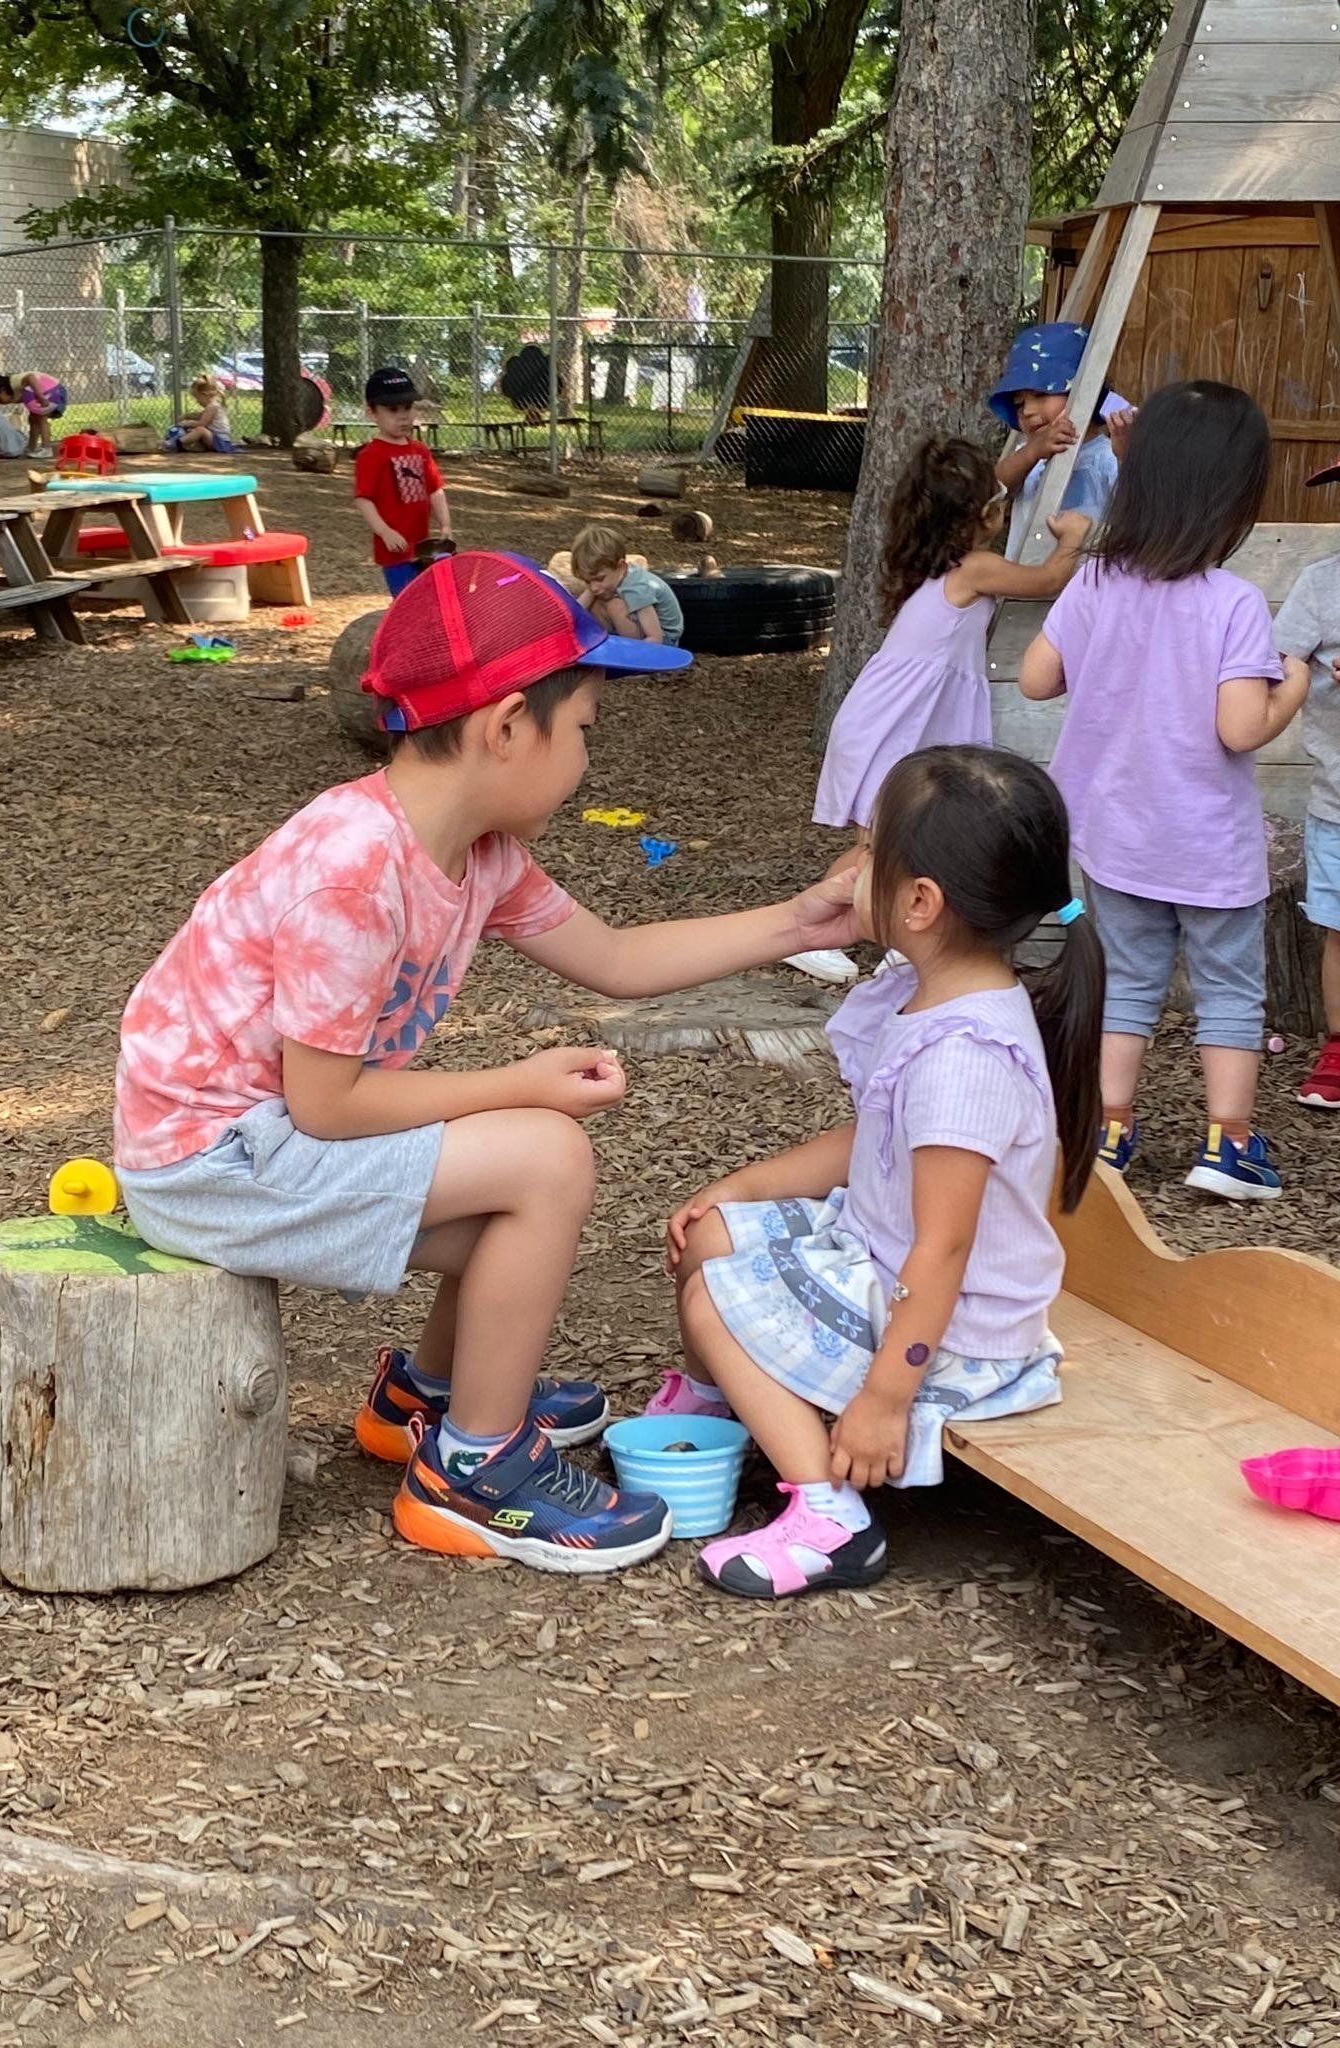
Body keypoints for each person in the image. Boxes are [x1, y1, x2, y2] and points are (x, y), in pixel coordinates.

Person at [113, 550, 865, 1576]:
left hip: (265, 1136)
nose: (591, 759)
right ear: (509, 724)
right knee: (543, 1158)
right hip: (212, 1156)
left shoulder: (479, 850)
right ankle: (469, 1468)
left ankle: (423, 1396)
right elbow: (327, 1105)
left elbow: (616, 957)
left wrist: (800, 919)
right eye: (587, 731)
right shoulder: (354, 868)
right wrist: (523, 1084)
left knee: (512, 1201)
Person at [650, 745, 1104, 1598]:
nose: (849, 865)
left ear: (920, 902)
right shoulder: (924, 990)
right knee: (711, 1233)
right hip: (895, 1265)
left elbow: (945, 1249)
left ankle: (833, 1520)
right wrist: (741, 1186)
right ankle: (735, 1411)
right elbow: (876, 1140)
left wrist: (885, 1400)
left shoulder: (964, 1058)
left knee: (716, 1295)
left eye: (868, 849)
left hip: (953, 1336)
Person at [1020, 379, 1309, 1199]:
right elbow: (1240, 728)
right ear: (1235, 499)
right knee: (1228, 989)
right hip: (1208, 847)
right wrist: (1290, 684)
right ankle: (1230, 1147)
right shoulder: (1236, 603)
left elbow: (1039, 680)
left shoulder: (1099, 580)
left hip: (1115, 838)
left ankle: (1108, 1130)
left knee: (1128, 981)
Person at [797, 436, 1089, 988]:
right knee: (877, 850)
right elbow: (1051, 580)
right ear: (981, 517)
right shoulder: (975, 569)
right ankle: (809, 927)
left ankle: (891, 944)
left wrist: (1034, 454)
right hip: (894, 728)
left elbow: (990, 486)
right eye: (997, 506)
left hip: (893, 720)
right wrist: (1074, 536)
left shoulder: (935, 563)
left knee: (894, 845)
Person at [1271, 456, 1340, 1108]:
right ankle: (1339, 1049)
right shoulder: (1322, 585)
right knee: (1339, 932)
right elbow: (1275, 659)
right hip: (1338, 801)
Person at [990, 322, 1131, 563]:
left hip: (1084, 593)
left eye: (1041, 394)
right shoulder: (1026, 456)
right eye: (1018, 403)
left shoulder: (1107, 457)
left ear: (1084, 392)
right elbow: (993, 489)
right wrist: (1031, 452)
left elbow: (1135, 507)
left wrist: (1126, 456)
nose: (1028, 411)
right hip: (1022, 591)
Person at [353, 368, 452, 596]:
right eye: (393, 409)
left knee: (433, 597)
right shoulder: (372, 455)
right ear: (372, 413)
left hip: (425, 547)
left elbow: (435, 490)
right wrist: (384, 531)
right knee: (406, 600)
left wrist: (445, 525)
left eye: (408, 407)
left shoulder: (420, 450)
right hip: (396, 551)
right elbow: (363, 499)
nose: (403, 416)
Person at [568, 523, 685, 647]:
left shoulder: (637, 589)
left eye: (600, 579)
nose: (593, 587)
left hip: (663, 641)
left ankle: (627, 654)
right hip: (642, 630)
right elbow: (576, 610)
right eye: (587, 581)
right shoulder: (612, 578)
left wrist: (634, 656)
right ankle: (603, 645)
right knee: (595, 603)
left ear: (621, 566)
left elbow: (656, 637)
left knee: (615, 606)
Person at [0, 371, 68, 456]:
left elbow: (30, 377)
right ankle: (31, 447)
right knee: (32, 419)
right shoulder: (13, 390)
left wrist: (40, 396)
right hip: (48, 391)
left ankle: (46, 448)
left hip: (53, 391)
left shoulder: (14, 382)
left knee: (41, 418)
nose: (0, 403)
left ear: (2, 390)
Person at [163, 375, 235, 454]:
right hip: (215, 439)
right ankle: (188, 444)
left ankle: (175, 444)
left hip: (221, 442)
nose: (197, 401)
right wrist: (186, 416)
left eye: (197, 398)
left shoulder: (212, 407)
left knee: (200, 430)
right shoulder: (212, 406)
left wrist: (186, 423)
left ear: (205, 395)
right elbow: (200, 416)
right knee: (194, 430)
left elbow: (202, 423)